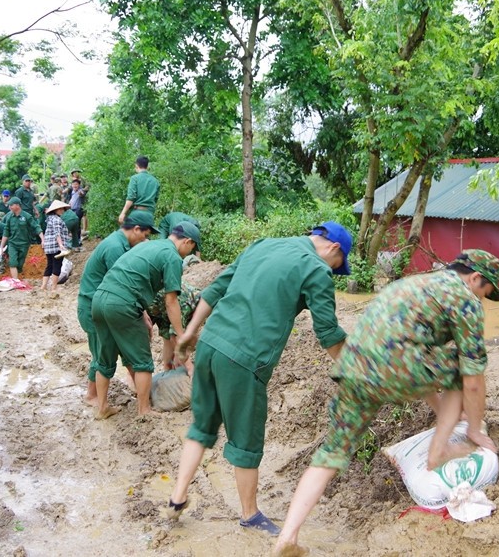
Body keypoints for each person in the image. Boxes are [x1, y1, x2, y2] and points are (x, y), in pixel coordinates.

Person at [272, 250, 499, 555]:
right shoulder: (464, 299)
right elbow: (473, 379)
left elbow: (408, 348)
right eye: (486, 292)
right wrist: (473, 429)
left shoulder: (412, 285)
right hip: (396, 368)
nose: (484, 299)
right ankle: (438, 452)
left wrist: (442, 413)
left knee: (331, 454)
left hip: (353, 369)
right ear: (475, 278)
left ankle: (287, 537)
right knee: (462, 364)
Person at [165, 222, 352, 536]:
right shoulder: (315, 269)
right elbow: (329, 334)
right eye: (338, 266)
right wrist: (354, 371)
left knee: (201, 426)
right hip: (243, 358)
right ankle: (250, 515)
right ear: (334, 248)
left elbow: (214, 290)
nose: (333, 272)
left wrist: (189, 334)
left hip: (210, 344)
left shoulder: (263, 244)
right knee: (246, 440)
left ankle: (177, 498)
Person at [90, 222, 200, 420]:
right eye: (192, 247)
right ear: (187, 241)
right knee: (142, 361)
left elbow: (127, 277)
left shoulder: (147, 245)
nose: (189, 252)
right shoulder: (172, 257)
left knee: (104, 359)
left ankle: (102, 408)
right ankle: (144, 411)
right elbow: (171, 301)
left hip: (99, 300)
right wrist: (181, 335)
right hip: (123, 305)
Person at [77, 211, 160, 406]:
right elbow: (126, 286)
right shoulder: (115, 248)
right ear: (136, 229)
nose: (145, 240)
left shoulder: (120, 244)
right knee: (102, 352)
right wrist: (143, 314)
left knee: (124, 348)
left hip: (105, 304)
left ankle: (143, 394)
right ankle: (92, 396)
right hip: (94, 307)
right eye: (145, 235)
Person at [147, 281, 201, 375]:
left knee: (169, 341)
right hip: (145, 303)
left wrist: (179, 355)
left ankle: (167, 373)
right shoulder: (187, 304)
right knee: (138, 354)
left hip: (161, 307)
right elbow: (175, 336)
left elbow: (175, 337)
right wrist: (189, 366)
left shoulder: (198, 302)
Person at [0, 197, 44, 279]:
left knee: (19, 265)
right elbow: (6, 232)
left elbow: (36, 227)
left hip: (24, 244)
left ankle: (18, 275)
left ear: (17, 205)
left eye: (11, 205)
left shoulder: (27, 216)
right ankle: (15, 281)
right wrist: (1, 246)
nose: (9, 207)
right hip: (12, 243)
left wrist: (42, 240)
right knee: (13, 263)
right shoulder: (9, 217)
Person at [41, 200, 72, 291]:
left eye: (62, 208)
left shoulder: (50, 219)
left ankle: (43, 286)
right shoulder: (57, 220)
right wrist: (61, 245)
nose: (62, 210)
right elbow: (57, 233)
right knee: (57, 266)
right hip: (56, 247)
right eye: (60, 208)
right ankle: (54, 287)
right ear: (56, 210)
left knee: (49, 266)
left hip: (49, 247)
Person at [118, 156, 159, 224]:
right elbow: (155, 199)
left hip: (137, 214)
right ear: (147, 166)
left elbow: (131, 198)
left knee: (125, 232)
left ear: (136, 166)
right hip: (149, 215)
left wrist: (123, 213)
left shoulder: (134, 178)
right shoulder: (155, 181)